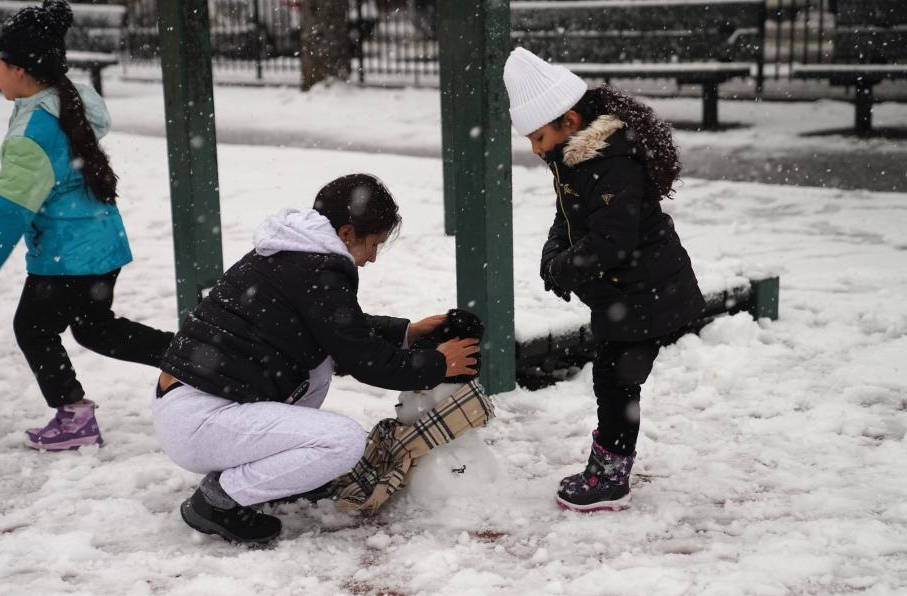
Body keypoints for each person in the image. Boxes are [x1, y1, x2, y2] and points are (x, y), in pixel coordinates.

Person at [152, 174, 480, 544]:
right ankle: (218, 500)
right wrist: (440, 364)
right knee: (343, 442)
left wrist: (407, 331)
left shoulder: (294, 252)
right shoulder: (315, 268)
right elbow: (364, 359)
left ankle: (273, 479)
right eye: (373, 244)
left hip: (198, 404)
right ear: (345, 233)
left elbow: (337, 326)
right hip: (201, 418)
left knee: (318, 367)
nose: (371, 258)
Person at [0, 0, 173, 450]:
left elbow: (4, 216)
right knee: (95, 328)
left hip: (69, 255)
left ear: (21, 71)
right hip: (97, 244)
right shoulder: (63, 102)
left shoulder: (35, 133)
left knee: (34, 329)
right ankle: (190, 357)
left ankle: (75, 416)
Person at [502, 47, 706, 512]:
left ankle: (610, 476)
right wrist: (553, 255)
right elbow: (569, 215)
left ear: (569, 121)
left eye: (538, 137)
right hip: (624, 292)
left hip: (647, 293)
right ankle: (610, 467)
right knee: (615, 379)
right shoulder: (574, 155)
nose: (535, 149)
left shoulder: (611, 160)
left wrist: (565, 268)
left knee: (616, 381)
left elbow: (613, 241)